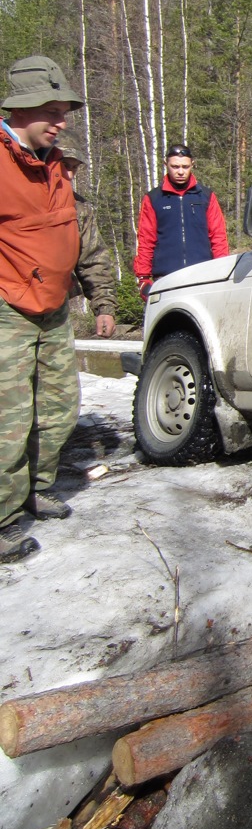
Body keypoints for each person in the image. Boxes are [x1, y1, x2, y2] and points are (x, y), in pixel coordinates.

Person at [0, 56, 85, 562]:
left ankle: (37, 486)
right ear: (23, 108)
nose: (62, 121)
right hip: (8, 305)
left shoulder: (54, 162)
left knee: (58, 406)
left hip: (53, 307)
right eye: (53, 111)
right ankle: (3, 516)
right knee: (9, 418)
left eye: (65, 111)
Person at [133, 144, 229, 299]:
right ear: (166, 165)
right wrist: (143, 278)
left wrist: (223, 269)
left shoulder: (206, 196)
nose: (180, 171)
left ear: (192, 164)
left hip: (203, 277)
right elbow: (145, 239)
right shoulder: (154, 199)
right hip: (165, 280)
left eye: (185, 166)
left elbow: (218, 236)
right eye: (175, 166)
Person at [56, 127, 117, 339]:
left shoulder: (79, 208)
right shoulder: (16, 197)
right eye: (64, 165)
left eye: (75, 167)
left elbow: (92, 260)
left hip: (56, 309)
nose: (69, 174)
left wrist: (104, 308)